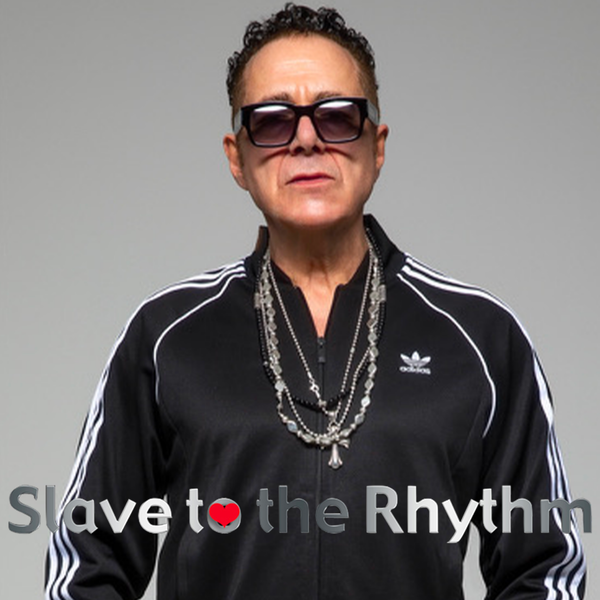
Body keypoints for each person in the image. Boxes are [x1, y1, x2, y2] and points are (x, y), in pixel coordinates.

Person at [45, 4, 586, 599]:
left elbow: (544, 569)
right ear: (237, 157)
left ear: (377, 145)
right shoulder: (167, 338)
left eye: (336, 116)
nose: (306, 139)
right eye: (272, 121)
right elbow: (86, 561)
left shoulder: (480, 338)